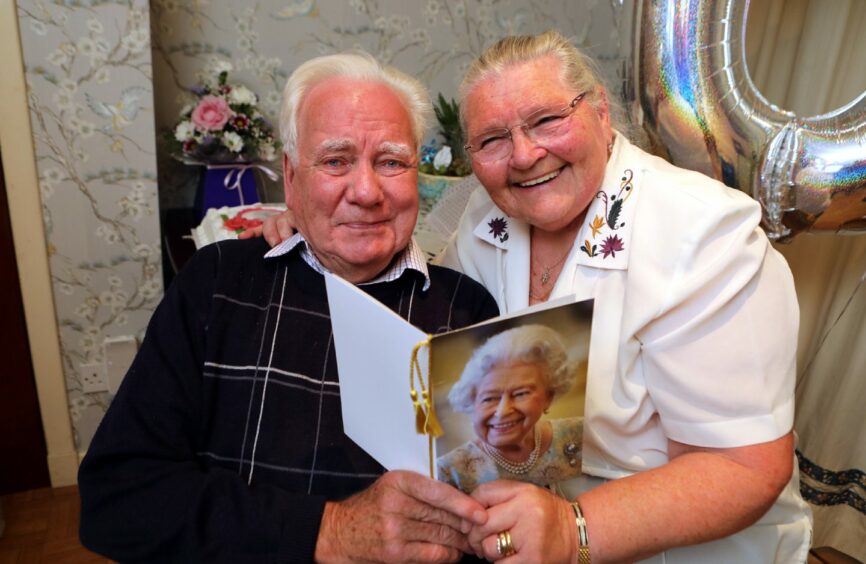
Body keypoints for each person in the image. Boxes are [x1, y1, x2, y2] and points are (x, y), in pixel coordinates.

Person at [255, 31, 812, 563]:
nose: (523, 156)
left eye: (546, 120)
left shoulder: (702, 235)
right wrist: (307, 218)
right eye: (493, 140)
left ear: (598, 111)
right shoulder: (484, 212)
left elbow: (744, 468)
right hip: (513, 528)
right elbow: (407, 272)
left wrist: (574, 534)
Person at [77, 51, 500, 563]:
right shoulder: (217, 282)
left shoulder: (465, 307)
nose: (366, 191)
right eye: (336, 161)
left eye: (390, 162)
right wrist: (329, 531)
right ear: (290, 175)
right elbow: (117, 498)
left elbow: (491, 509)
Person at [437, 324, 583, 494]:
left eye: (521, 394)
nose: (503, 411)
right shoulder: (448, 472)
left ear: (548, 397)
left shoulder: (579, 434)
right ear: (472, 403)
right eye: (489, 398)